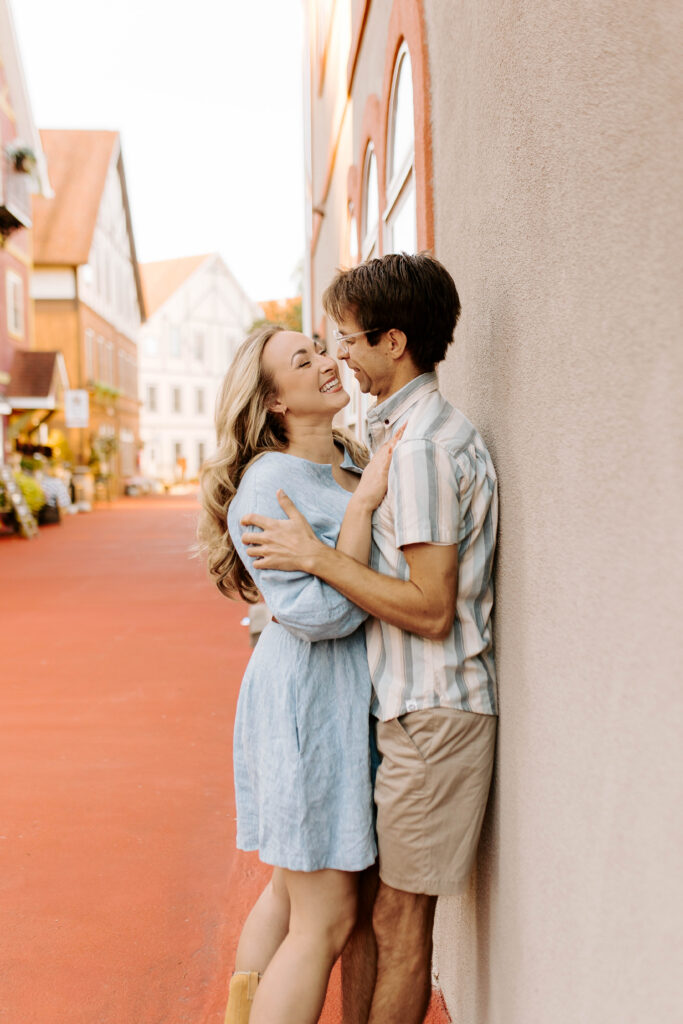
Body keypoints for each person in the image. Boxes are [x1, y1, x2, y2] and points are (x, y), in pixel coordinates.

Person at [240, 252, 499, 1024]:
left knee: (382, 920)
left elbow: (427, 607)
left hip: (429, 709)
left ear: (393, 342)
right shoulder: (381, 440)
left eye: (344, 340)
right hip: (384, 712)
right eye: (318, 350)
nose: (336, 356)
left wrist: (319, 554)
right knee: (340, 915)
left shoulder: (410, 449)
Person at [196, 324, 401, 1024]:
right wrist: (364, 508)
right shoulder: (270, 483)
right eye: (300, 360)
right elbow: (323, 617)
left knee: (290, 896)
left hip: (336, 700)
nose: (324, 361)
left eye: (320, 346)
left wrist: (349, 510)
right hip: (306, 703)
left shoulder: (347, 456)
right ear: (273, 400)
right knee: (327, 918)